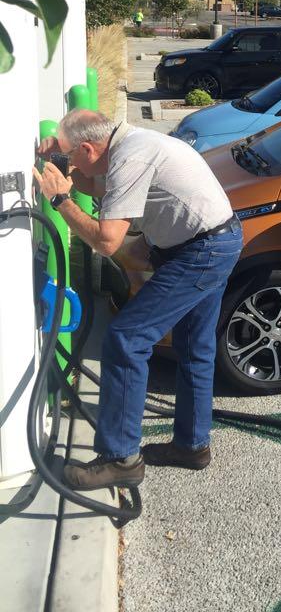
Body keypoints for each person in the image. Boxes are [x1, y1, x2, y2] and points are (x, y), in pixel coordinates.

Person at [33, 109, 243, 490]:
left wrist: (62, 200)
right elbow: (99, 186)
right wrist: (60, 161)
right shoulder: (131, 144)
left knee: (126, 338)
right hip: (215, 239)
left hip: (202, 250)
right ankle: (192, 447)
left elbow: (106, 241)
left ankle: (121, 458)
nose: (68, 163)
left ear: (88, 148)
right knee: (194, 346)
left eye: (70, 155)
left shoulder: (131, 157)